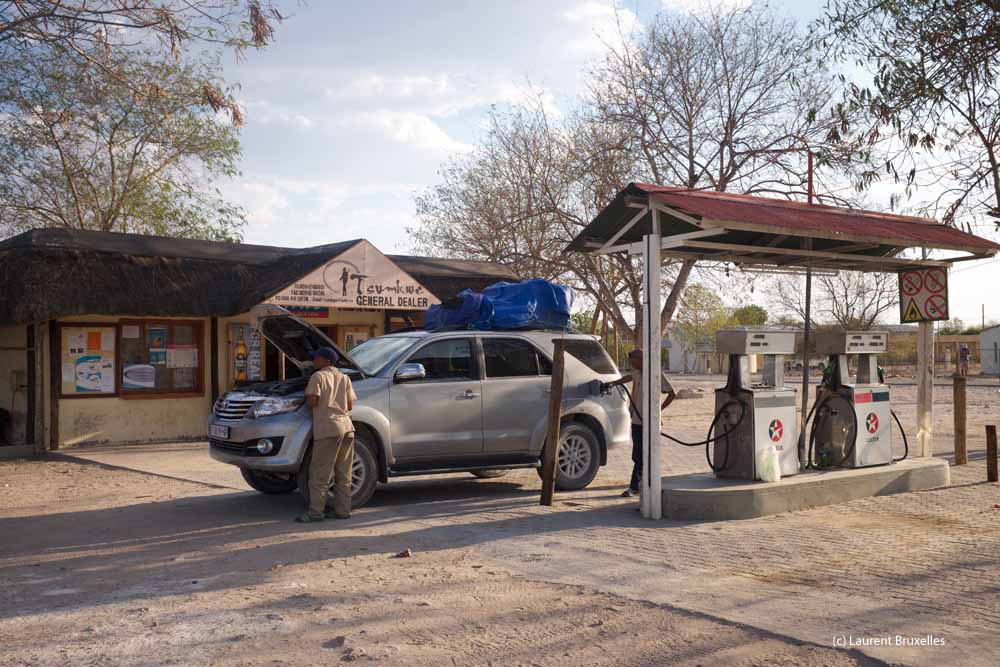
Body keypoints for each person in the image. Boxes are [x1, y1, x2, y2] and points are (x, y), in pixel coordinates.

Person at [296, 346, 357, 523]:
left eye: (317, 358)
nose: (314, 361)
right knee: (344, 473)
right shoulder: (344, 378)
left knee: (319, 474)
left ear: (326, 361)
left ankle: (315, 513)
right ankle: (343, 511)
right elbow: (350, 405)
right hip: (347, 427)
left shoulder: (318, 376)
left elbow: (312, 401)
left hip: (328, 428)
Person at [605, 348, 676, 497]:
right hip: (637, 421)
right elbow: (628, 378)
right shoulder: (637, 373)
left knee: (643, 456)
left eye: (633, 361)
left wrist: (659, 410)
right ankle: (641, 485)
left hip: (651, 423)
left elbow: (672, 393)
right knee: (638, 455)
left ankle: (636, 487)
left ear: (641, 359)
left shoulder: (655, 374)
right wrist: (612, 383)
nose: (632, 364)